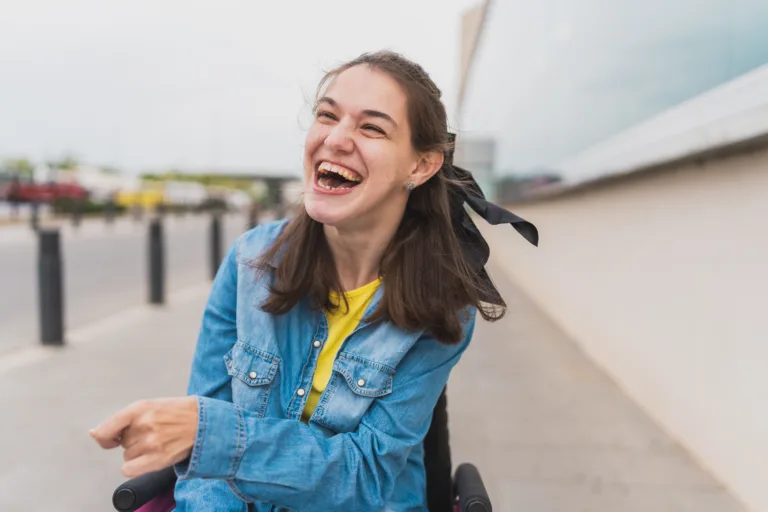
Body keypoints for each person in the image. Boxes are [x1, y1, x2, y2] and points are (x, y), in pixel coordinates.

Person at [90, 50, 537, 511]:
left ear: (421, 166)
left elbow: (364, 475)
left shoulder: (445, 305)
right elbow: (206, 473)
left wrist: (211, 435)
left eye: (371, 127)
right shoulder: (249, 263)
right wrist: (204, 444)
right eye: (327, 115)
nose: (336, 139)